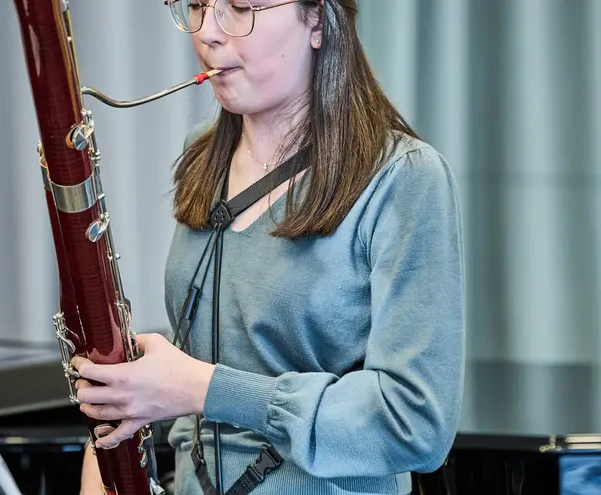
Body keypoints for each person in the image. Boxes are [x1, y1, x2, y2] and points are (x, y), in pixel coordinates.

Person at [72, 0, 465, 494]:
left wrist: (203, 388)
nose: (208, 33)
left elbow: (415, 424)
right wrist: (116, 428)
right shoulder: (204, 155)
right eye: (196, 6)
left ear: (317, 19)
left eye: (239, 7)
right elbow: (199, 387)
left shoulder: (404, 177)